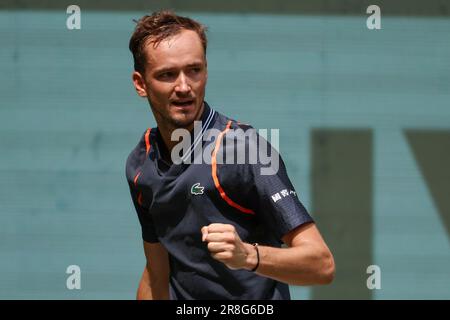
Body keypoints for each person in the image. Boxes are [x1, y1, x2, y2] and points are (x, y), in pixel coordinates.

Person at [126, 10, 335, 300]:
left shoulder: (246, 149)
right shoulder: (141, 163)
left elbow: (321, 264)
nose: (184, 87)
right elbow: (156, 274)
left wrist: (248, 256)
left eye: (194, 70)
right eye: (167, 75)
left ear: (206, 71)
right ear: (141, 84)